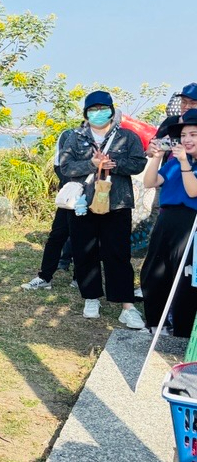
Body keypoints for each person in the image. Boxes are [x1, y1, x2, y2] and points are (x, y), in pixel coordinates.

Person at [58, 90, 146, 326]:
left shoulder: (127, 137)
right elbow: (65, 167)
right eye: (93, 109)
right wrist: (92, 163)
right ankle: (91, 297)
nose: (98, 113)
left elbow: (139, 163)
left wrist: (113, 164)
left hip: (117, 203)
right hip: (82, 204)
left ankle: (126, 305)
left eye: (102, 109)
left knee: (118, 253)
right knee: (85, 251)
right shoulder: (75, 137)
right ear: (86, 113)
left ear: (111, 111)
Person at [140, 109, 197, 339]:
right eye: (183, 136)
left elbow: (193, 191)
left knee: (184, 277)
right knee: (154, 270)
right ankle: (156, 323)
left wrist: (184, 162)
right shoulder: (174, 163)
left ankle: (181, 331)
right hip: (167, 220)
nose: (187, 140)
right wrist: (155, 157)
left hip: (191, 223)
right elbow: (150, 182)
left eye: (193, 134)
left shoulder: (183, 162)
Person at [21, 128, 75, 290]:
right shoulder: (68, 135)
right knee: (56, 236)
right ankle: (45, 277)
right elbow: (59, 165)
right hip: (70, 197)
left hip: (92, 197)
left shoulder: (106, 138)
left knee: (84, 239)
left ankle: (80, 278)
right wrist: (74, 185)